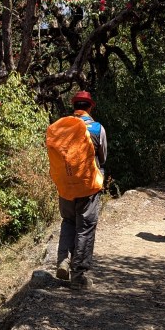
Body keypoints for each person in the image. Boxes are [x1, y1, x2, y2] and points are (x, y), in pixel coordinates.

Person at [46, 90, 107, 290]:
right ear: (90, 107)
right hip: (88, 185)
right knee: (85, 227)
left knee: (69, 221)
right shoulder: (97, 128)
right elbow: (103, 158)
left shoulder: (62, 128)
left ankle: (63, 261)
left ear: (74, 106)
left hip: (65, 185)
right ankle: (79, 275)